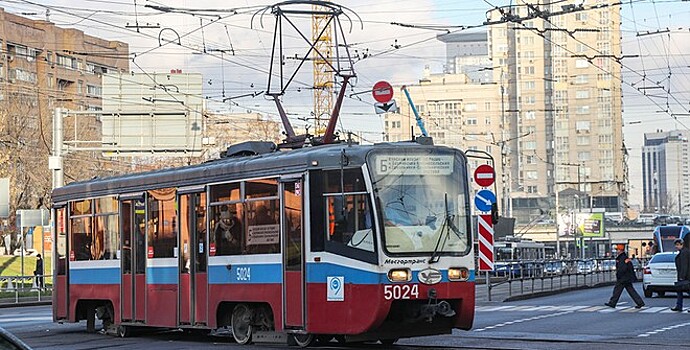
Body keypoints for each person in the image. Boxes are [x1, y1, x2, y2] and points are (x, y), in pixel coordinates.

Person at [605, 244, 645, 309]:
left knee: (617, 290)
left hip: (623, 277)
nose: (617, 251)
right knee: (631, 291)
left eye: (617, 250)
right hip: (627, 277)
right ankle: (640, 303)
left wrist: (619, 275)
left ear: (620, 250)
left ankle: (612, 303)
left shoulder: (622, 258)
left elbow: (622, 268)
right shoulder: (625, 257)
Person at [671, 238, 690, 311]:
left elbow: (684, 265)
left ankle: (679, 306)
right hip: (684, 275)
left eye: (677, 245)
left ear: (682, 244)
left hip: (685, 276)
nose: (676, 246)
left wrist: (682, 276)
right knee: (679, 290)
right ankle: (678, 306)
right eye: (676, 245)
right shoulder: (684, 251)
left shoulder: (684, 252)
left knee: (686, 290)